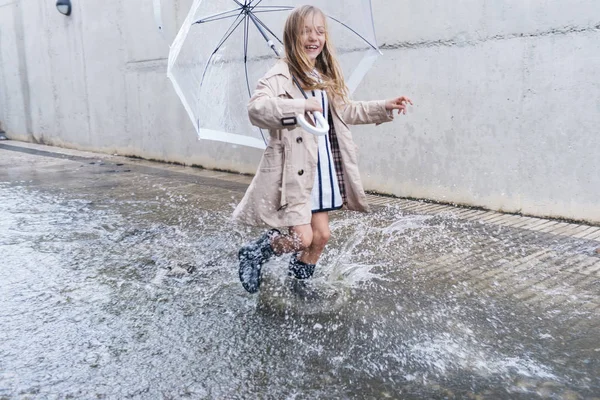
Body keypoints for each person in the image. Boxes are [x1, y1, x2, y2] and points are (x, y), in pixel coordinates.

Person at [233, 5, 412, 294]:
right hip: (296, 171)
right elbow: (256, 111)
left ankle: (298, 284)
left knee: (321, 236)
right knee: (302, 238)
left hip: (323, 168)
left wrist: (384, 107)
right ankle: (255, 252)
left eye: (320, 31)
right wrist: (297, 106)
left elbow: (346, 111)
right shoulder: (279, 75)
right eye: (306, 31)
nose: (314, 37)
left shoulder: (322, 76)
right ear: (293, 36)